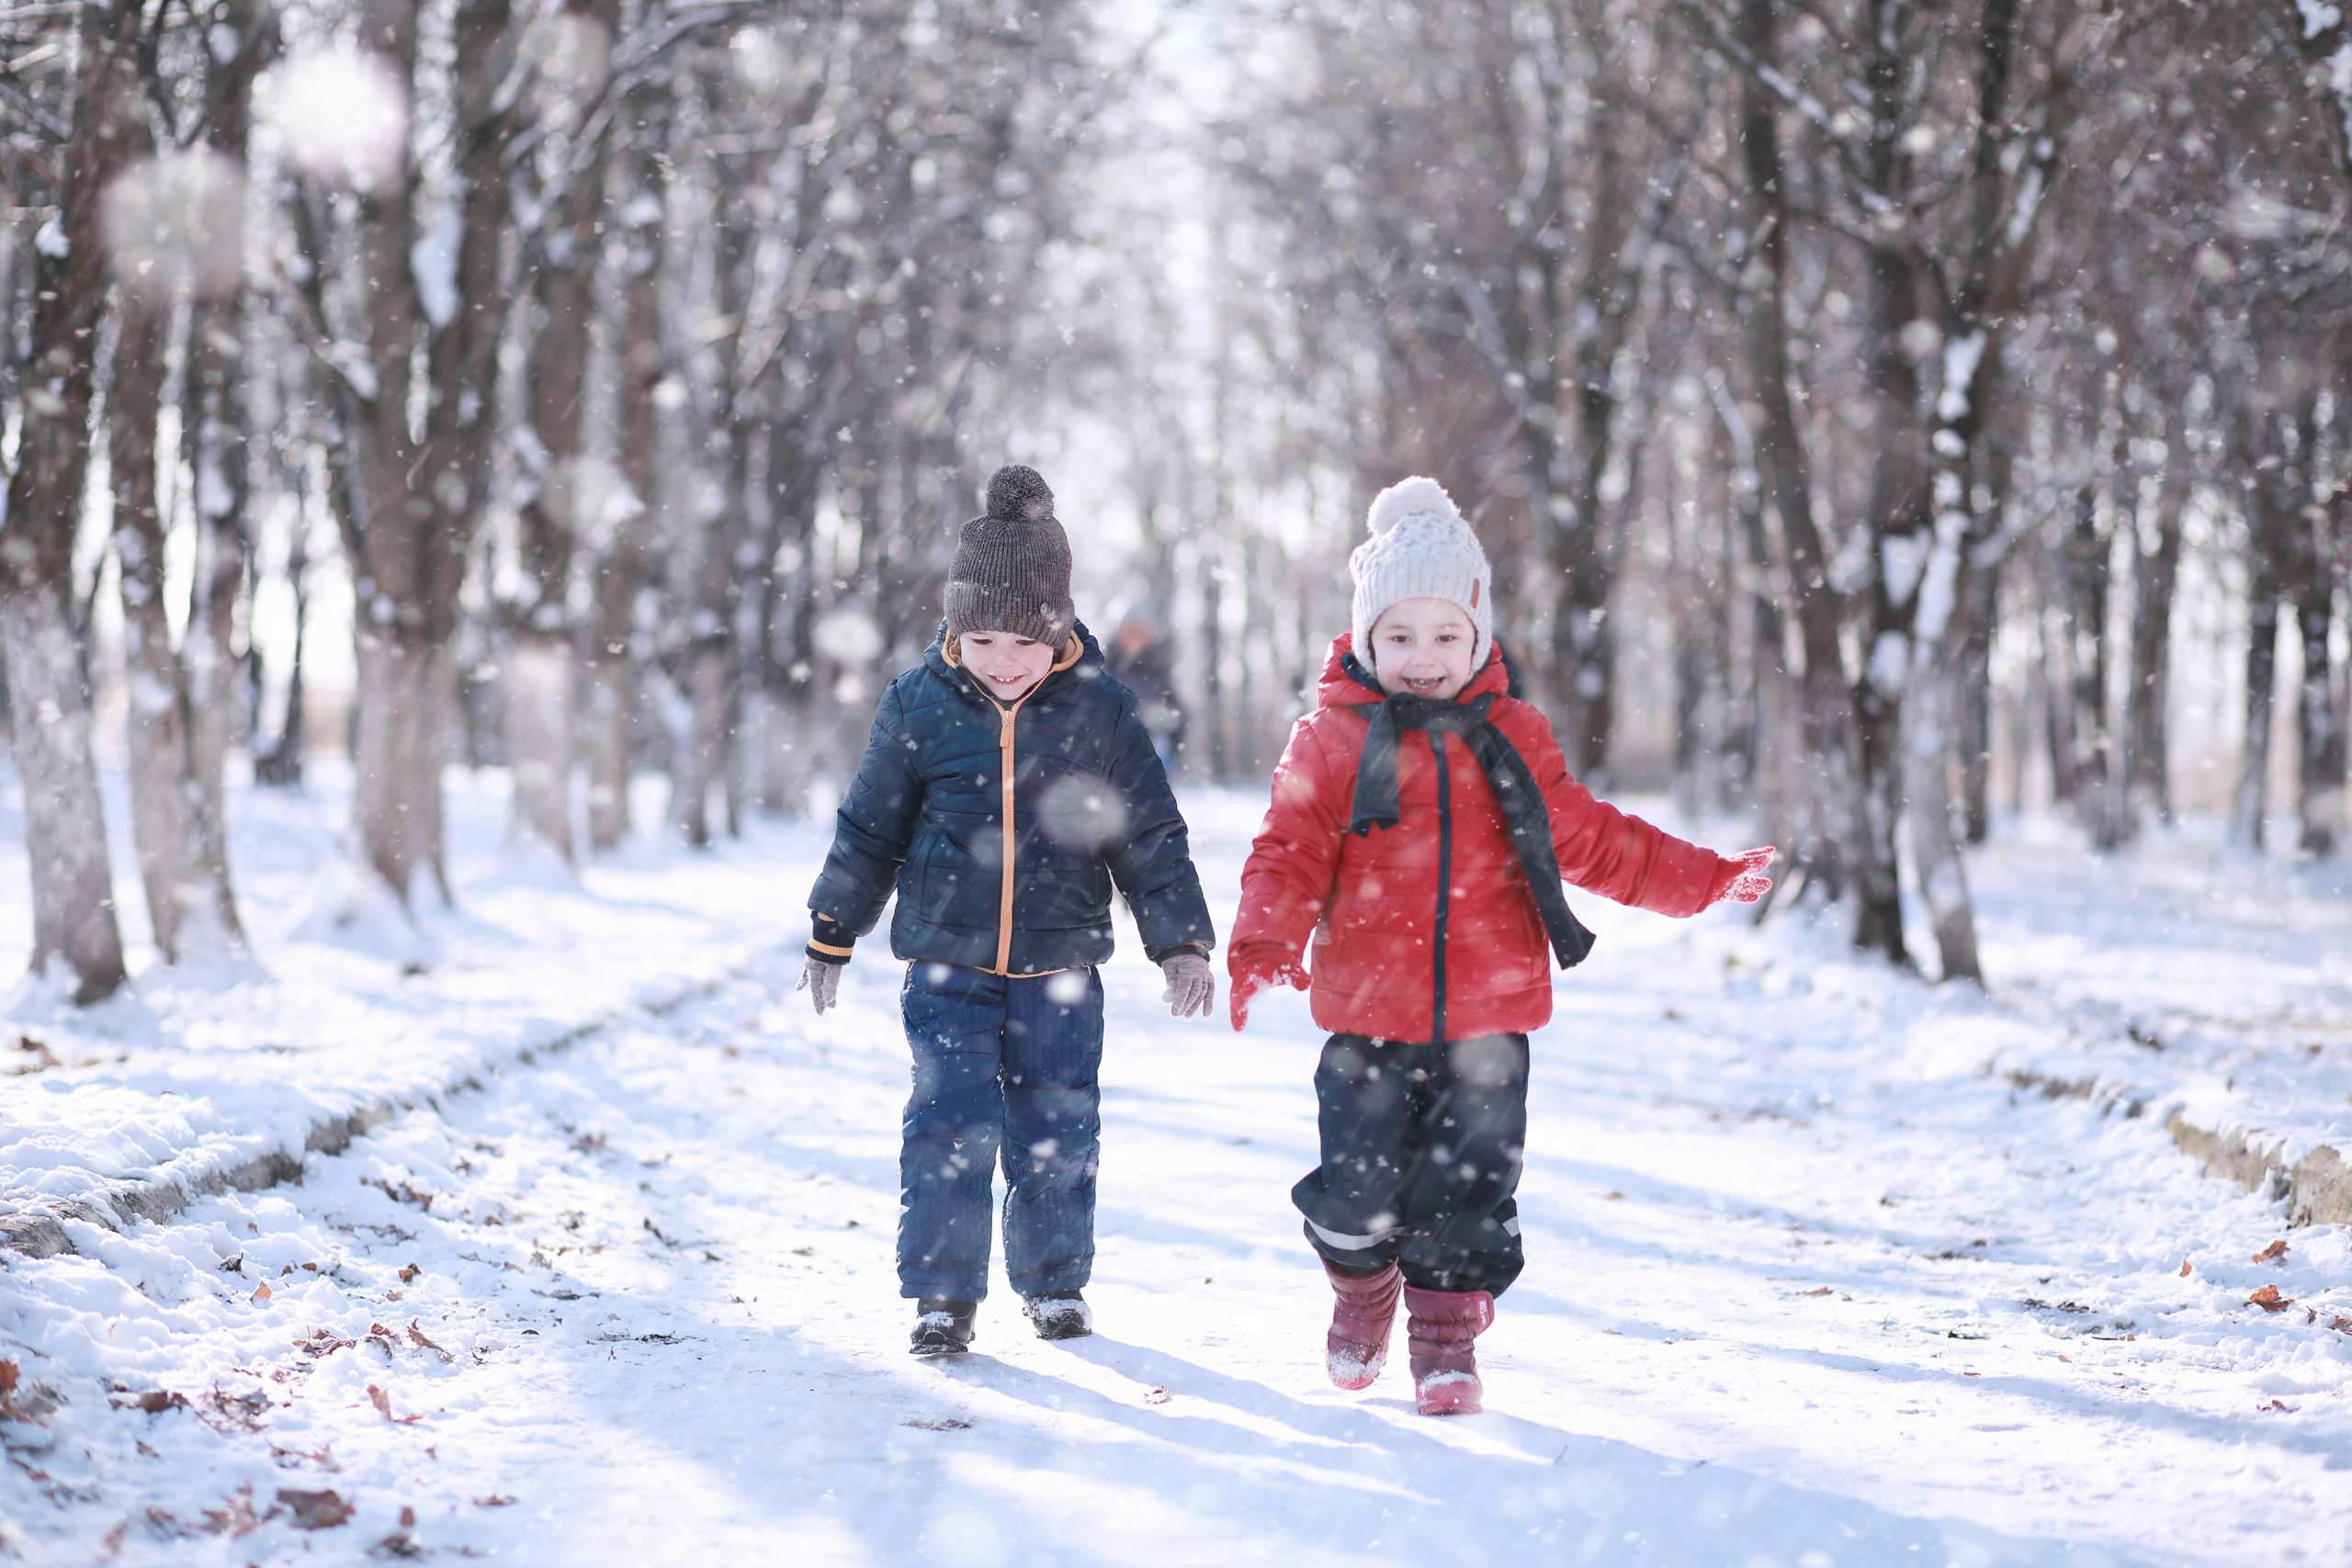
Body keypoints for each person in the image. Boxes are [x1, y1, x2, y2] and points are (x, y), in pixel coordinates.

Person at [1226, 476, 1773, 1416]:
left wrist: (1703, 877)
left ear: (1478, 634)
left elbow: (1591, 838)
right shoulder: (1329, 741)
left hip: (1490, 1018)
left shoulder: (1511, 734)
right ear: (1364, 638)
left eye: (1445, 636)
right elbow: (1285, 851)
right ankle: (1360, 1289)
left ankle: (1444, 1344)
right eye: (1398, 637)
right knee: (1354, 1190)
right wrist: (1261, 942)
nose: (1423, 658)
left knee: (1466, 1196)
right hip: (1365, 1015)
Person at [798, 464, 1218, 1358]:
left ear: (1058, 631)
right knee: (947, 1125)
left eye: (1023, 642)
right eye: (980, 637)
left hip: (1061, 966)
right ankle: (943, 1298)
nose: (1001, 660)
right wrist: (833, 928)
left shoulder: (1100, 711)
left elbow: (1149, 834)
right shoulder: (919, 706)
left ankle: (1054, 1283)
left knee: (1058, 1132)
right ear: (954, 627)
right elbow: (869, 827)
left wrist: (1178, 940)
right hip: (945, 964)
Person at [1102, 601, 1189, 773]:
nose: (1134, 639)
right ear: (1118, 634)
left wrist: (1165, 721)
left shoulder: (1158, 671)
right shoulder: (1102, 668)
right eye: (1129, 632)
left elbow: (1180, 716)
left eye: (1140, 633)